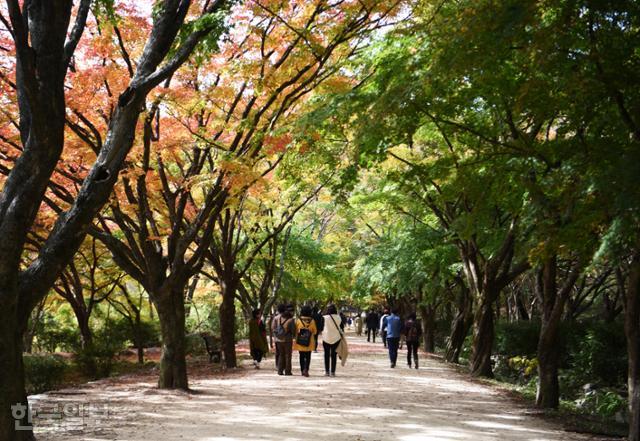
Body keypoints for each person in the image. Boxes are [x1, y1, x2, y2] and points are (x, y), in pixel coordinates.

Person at [294, 305, 317, 377]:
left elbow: (295, 331)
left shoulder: (298, 321)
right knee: (308, 356)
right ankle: (306, 369)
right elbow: (315, 331)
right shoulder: (312, 321)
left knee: (301, 356)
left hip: (300, 342)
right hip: (309, 342)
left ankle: (302, 370)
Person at [273, 306, 295, 375]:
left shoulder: (279, 318)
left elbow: (274, 328)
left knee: (281, 355)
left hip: (279, 339)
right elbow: (293, 331)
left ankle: (280, 371)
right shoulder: (291, 320)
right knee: (288, 355)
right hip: (287, 340)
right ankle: (287, 371)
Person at [322, 304, 343, 377]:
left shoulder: (324, 317)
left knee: (326, 355)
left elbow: (322, 327)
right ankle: (333, 371)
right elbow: (341, 327)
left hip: (326, 337)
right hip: (336, 338)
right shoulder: (338, 317)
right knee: (334, 355)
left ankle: (327, 371)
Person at [270, 304, 286, 370]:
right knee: (284, 352)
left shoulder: (276, 318)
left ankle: (278, 365)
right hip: (285, 338)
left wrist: (276, 333)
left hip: (277, 338)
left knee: (278, 352)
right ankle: (284, 366)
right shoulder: (287, 317)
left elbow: (272, 327)